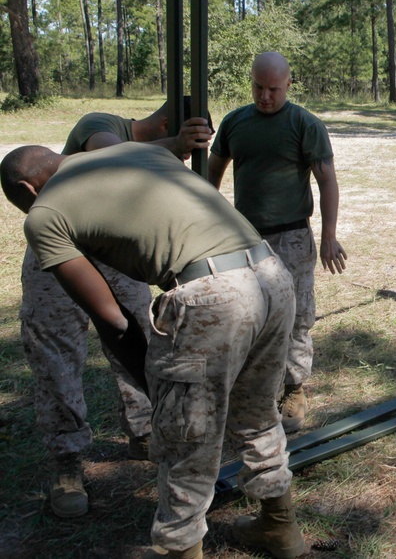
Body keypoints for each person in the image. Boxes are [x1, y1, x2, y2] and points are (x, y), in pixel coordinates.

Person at [2, 142, 306, 559]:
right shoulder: (134, 151)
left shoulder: (43, 215)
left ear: (27, 189)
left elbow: (111, 318)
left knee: (186, 439)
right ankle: (280, 527)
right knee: (256, 412)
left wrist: (156, 390)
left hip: (211, 295)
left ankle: (181, 550)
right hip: (271, 276)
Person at [17, 100, 211, 519]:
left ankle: (143, 431)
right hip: (57, 248)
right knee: (56, 353)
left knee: (140, 335)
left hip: (110, 244)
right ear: (162, 124)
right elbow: (108, 155)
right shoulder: (102, 124)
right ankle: (66, 461)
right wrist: (174, 144)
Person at [209, 52, 347, 434]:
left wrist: (328, 236)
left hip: (291, 236)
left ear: (288, 84)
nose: (265, 96)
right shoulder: (236, 122)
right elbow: (212, 173)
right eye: (258, 87)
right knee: (246, 315)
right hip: (245, 237)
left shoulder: (304, 124)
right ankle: (252, 388)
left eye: (273, 89)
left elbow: (327, 180)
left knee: (297, 316)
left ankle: (293, 389)